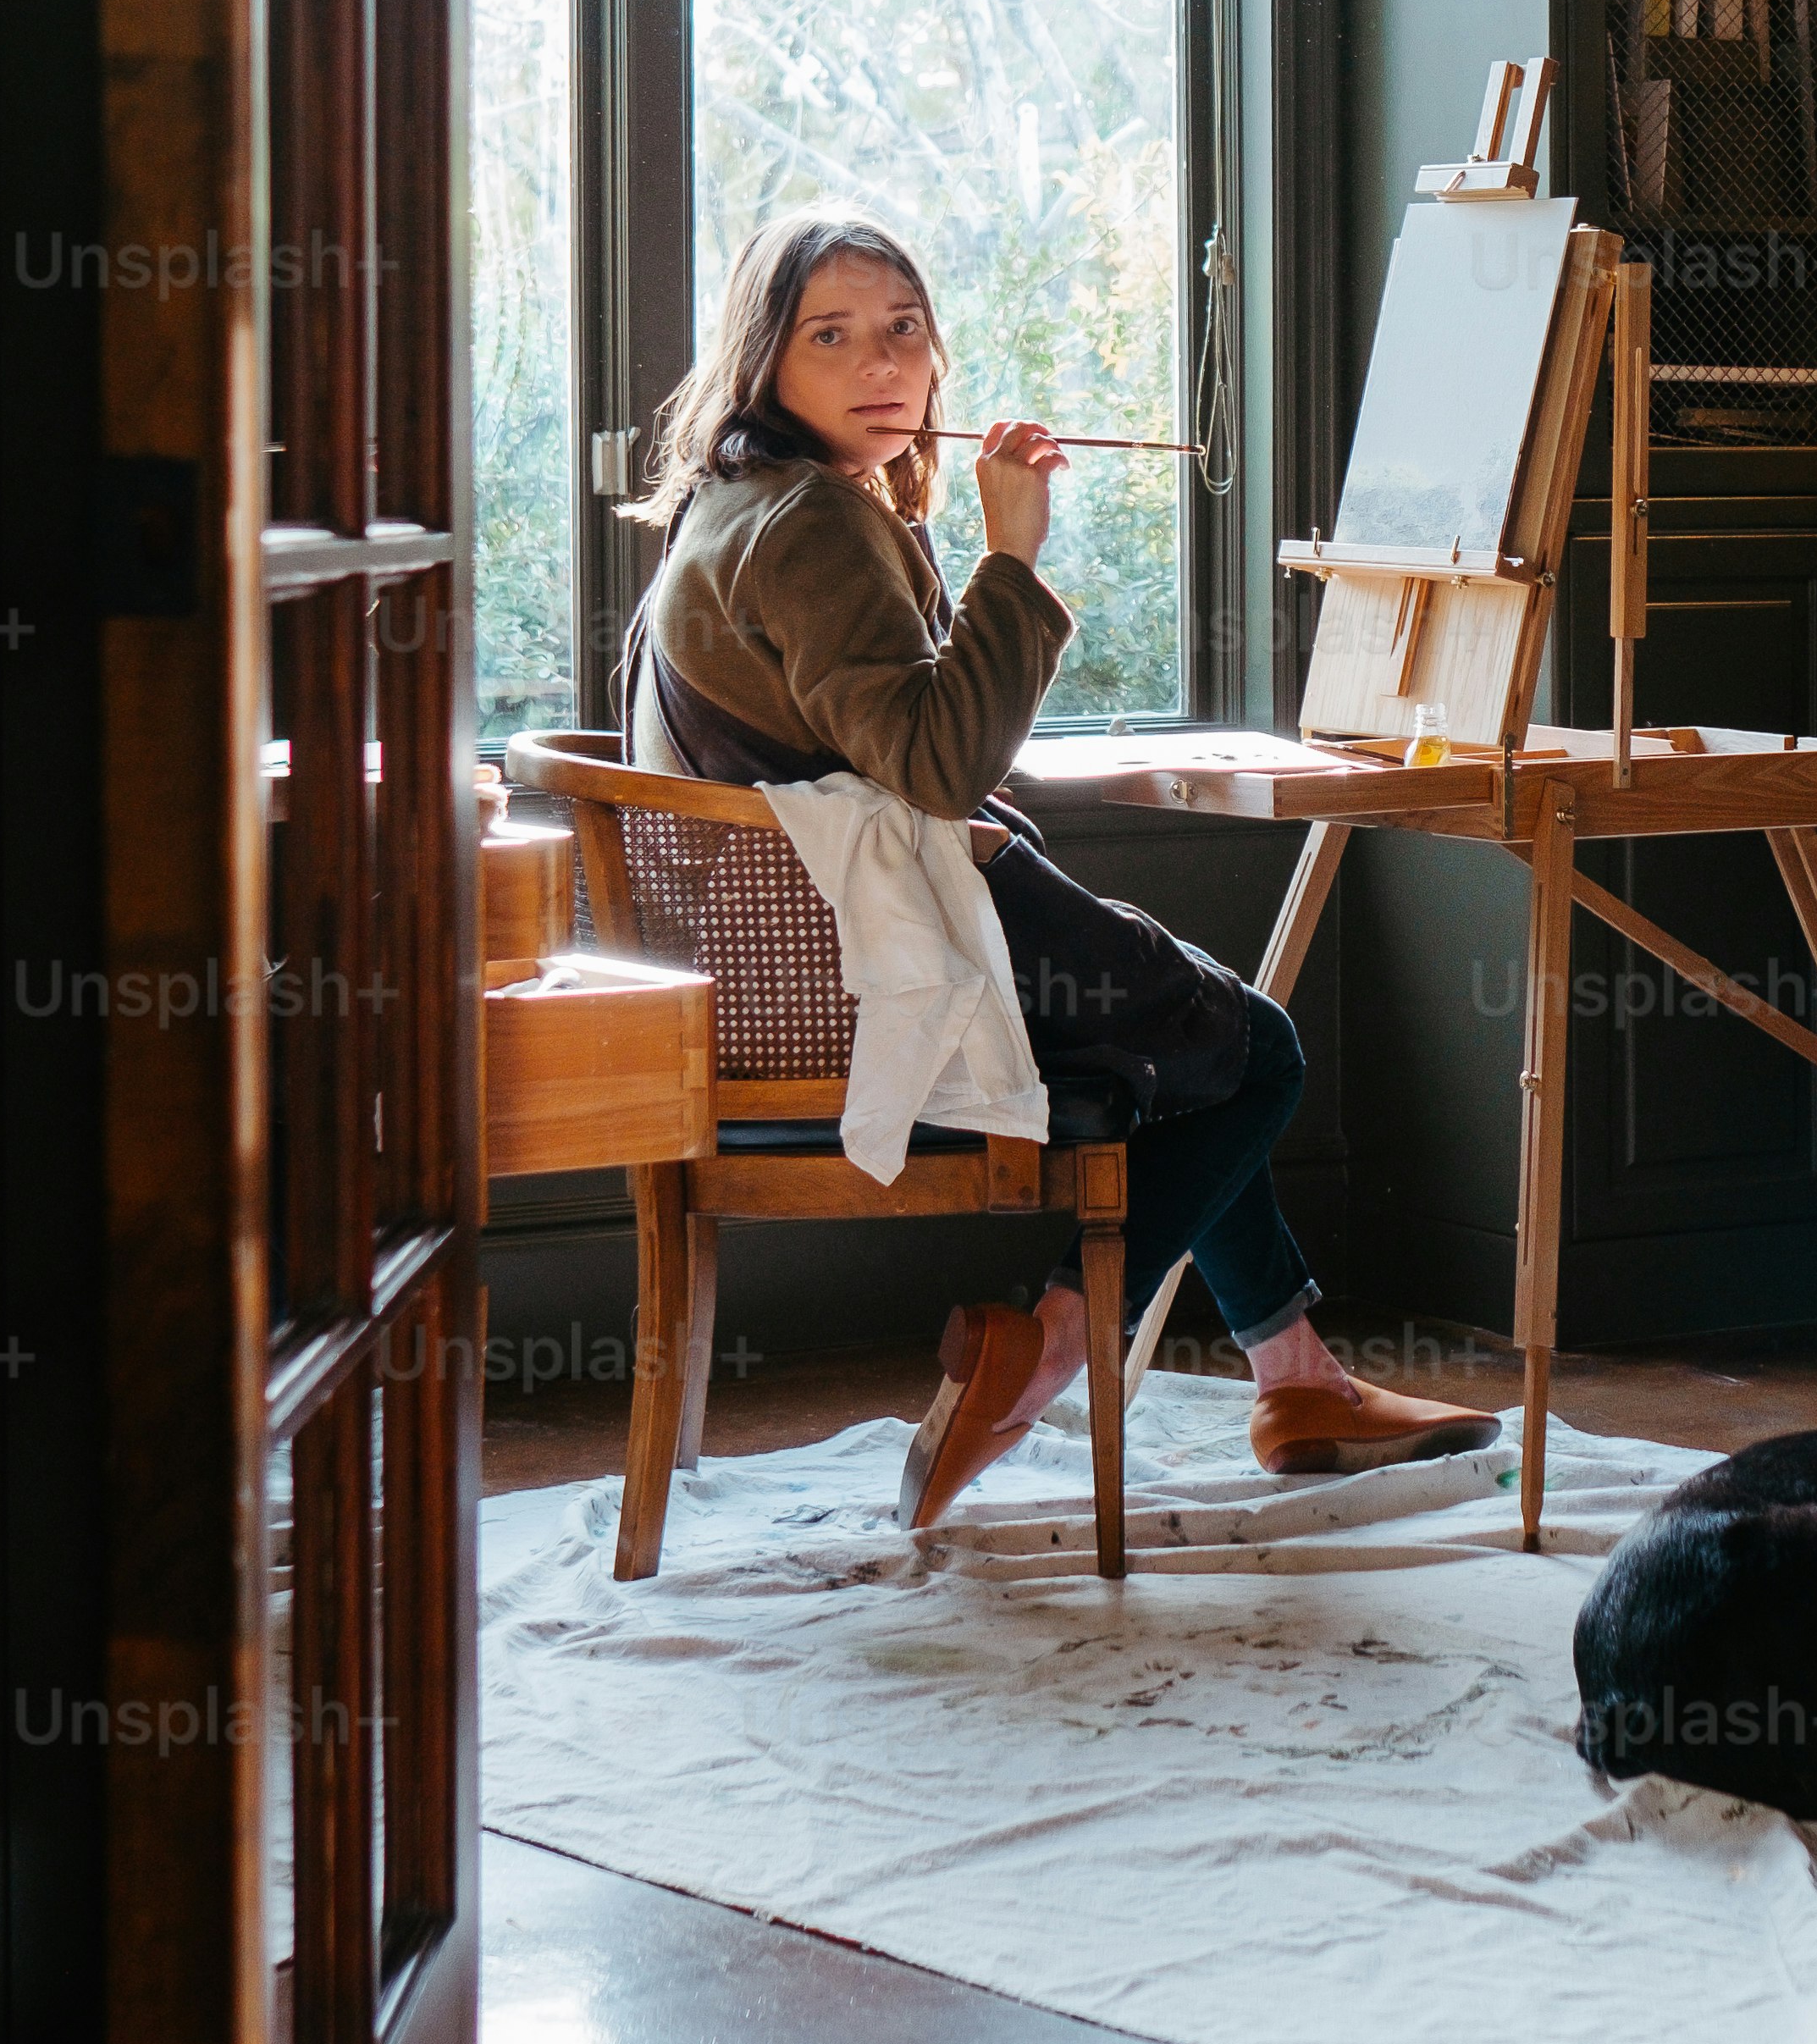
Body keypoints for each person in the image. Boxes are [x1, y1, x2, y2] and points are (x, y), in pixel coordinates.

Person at [629, 208, 1497, 1531]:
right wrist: (1013, 553)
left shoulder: (749, 503)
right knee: (1252, 1050)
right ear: (764, 363)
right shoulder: (805, 523)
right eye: (833, 337)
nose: (882, 368)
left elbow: (885, 745)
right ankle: (1046, 1351)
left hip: (798, 962)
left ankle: (1298, 1380)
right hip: (860, 976)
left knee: (1190, 1037)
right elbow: (931, 759)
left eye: (904, 331)